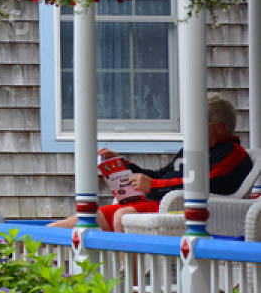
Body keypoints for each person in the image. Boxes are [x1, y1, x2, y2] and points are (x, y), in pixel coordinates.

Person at [51, 94, 253, 232]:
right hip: (155, 203)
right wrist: (122, 164)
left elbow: (205, 185)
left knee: (122, 215)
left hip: (179, 210)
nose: (190, 128)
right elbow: (160, 175)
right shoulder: (192, 150)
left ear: (218, 127)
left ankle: (132, 292)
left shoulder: (234, 153)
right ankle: (26, 242)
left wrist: (153, 186)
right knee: (84, 220)